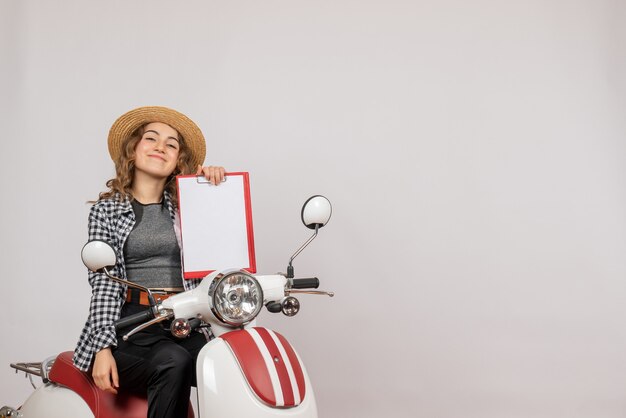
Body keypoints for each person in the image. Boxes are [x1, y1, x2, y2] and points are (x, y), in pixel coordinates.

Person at [73, 106, 224, 418]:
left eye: (171, 144)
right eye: (151, 139)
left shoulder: (191, 207)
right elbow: (103, 285)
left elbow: (221, 256)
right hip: (132, 329)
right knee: (173, 360)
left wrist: (215, 189)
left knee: (231, 361)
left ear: (178, 160)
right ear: (133, 151)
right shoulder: (106, 212)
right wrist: (102, 350)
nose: (160, 147)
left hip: (187, 323)